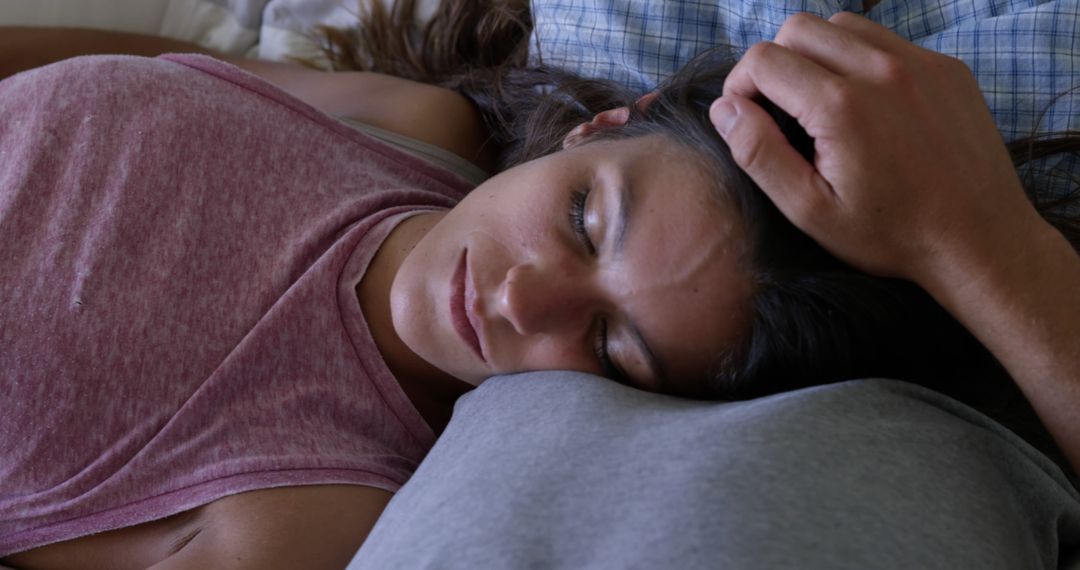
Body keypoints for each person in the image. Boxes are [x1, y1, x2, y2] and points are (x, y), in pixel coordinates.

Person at [0, 6, 1077, 570]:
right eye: (582, 220)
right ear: (599, 125)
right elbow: (144, 71)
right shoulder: (413, 127)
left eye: (609, 344)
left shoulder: (312, 508)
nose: (524, 303)